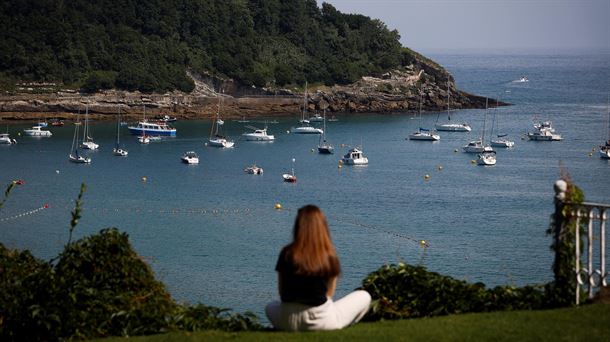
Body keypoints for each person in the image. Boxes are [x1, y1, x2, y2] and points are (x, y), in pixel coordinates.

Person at [265, 205, 371, 331]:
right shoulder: (329, 255)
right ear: (323, 226)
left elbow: (282, 292)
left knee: (270, 306)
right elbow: (329, 294)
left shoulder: (287, 253)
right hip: (320, 321)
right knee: (364, 296)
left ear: (298, 226)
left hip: (288, 320)